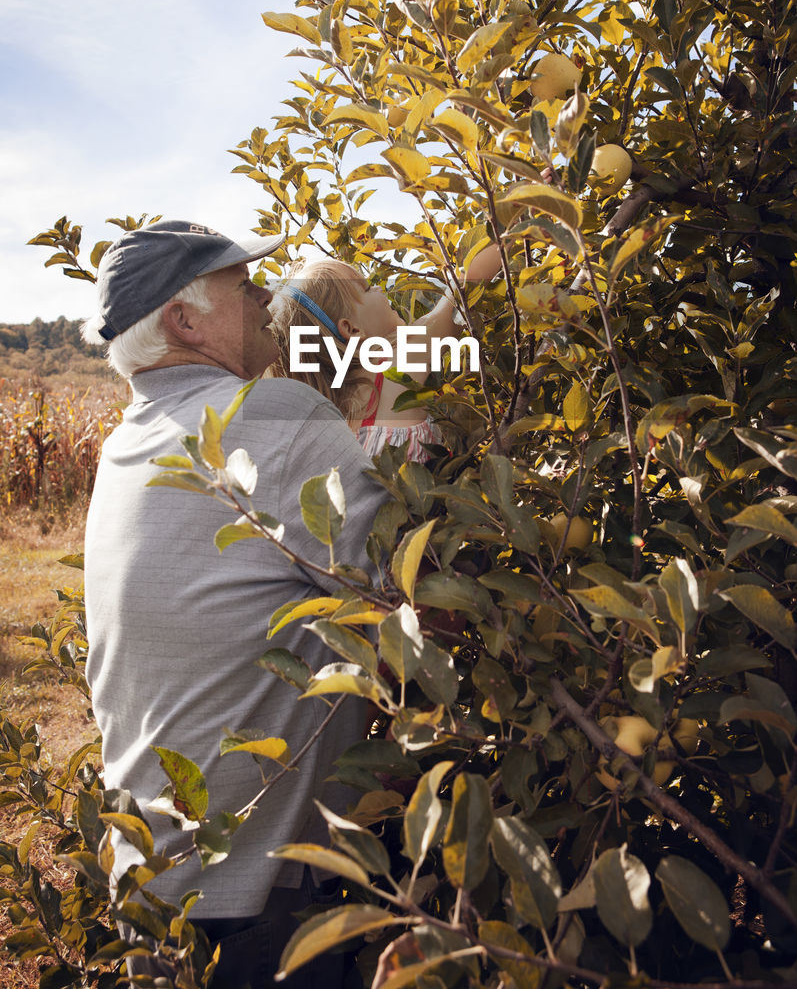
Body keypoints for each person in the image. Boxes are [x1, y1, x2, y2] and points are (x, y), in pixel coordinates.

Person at [80, 219, 390, 987]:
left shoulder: (127, 440)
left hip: (154, 880)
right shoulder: (276, 413)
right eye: (243, 287)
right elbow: (411, 599)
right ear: (185, 322)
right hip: (265, 896)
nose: (263, 298)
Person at [267, 244, 502, 463]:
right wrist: (511, 228)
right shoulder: (397, 364)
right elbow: (462, 290)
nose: (379, 288)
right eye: (367, 288)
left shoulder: (332, 427)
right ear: (352, 329)